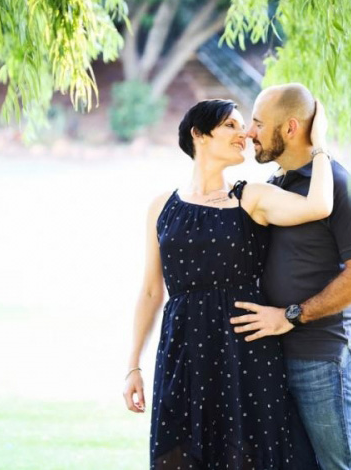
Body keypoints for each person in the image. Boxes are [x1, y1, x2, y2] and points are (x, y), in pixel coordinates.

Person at [123, 93, 333, 469]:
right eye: (231, 125)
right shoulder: (161, 207)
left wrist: (319, 147)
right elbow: (152, 291)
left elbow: (318, 206)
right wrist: (133, 365)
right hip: (184, 352)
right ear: (199, 134)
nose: (244, 134)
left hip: (245, 352)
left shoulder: (250, 197)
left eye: (244, 125)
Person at [230, 83, 351, 470]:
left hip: (327, 358)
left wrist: (290, 316)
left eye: (259, 123)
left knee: (339, 466)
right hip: (278, 355)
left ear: (291, 128)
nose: (249, 132)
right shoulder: (277, 186)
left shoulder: (342, 187)